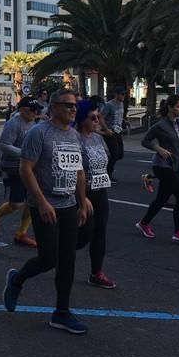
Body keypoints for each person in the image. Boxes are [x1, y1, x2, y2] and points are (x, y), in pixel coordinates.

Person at [1, 89, 93, 335]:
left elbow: (79, 172)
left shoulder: (73, 135)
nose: (73, 109)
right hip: (46, 207)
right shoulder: (38, 133)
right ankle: (16, 280)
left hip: (68, 205)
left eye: (75, 106)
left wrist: (82, 202)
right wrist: (41, 203)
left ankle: (61, 312)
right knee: (48, 259)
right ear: (53, 107)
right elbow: (26, 169)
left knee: (68, 260)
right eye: (68, 105)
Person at [136, 95, 179, 244]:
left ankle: (144, 223)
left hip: (175, 166)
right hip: (161, 166)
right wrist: (158, 148)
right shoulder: (160, 125)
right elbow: (145, 141)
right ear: (170, 107)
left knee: (161, 199)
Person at [0, 96, 42, 247]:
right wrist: (24, 153)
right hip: (13, 166)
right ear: (23, 109)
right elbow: (4, 145)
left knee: (34, 200)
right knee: (17, 203)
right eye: (32, 110)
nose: (35, 113)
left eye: (37, 110)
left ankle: (21, 234)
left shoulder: (33, 122)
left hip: (30, 165)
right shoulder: (14, 124)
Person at [74, 100, 116, 288]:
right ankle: (57, 252)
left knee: (100, 233)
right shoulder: (74, 139)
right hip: (84, 193)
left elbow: (106, 159)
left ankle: (96, 272)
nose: (97, 121)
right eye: (92, 118)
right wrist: (82, 199)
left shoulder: (97, 138)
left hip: (101, 192)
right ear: (82, 119)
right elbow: (75, 172)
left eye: (98, 117)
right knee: (84, 235)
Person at [100, 86, 126, 182]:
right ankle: (108, 173)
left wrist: (124, 122)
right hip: (110, 132)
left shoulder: (121, 104)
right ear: (116, 94)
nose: (124, 96)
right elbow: (101, 117)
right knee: (115, 154)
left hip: (118, 131)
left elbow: (119, 116)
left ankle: (105, 163)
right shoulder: (109, 105)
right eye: (122, 94)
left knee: (120, 154)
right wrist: (106, 129)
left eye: (124, 94)